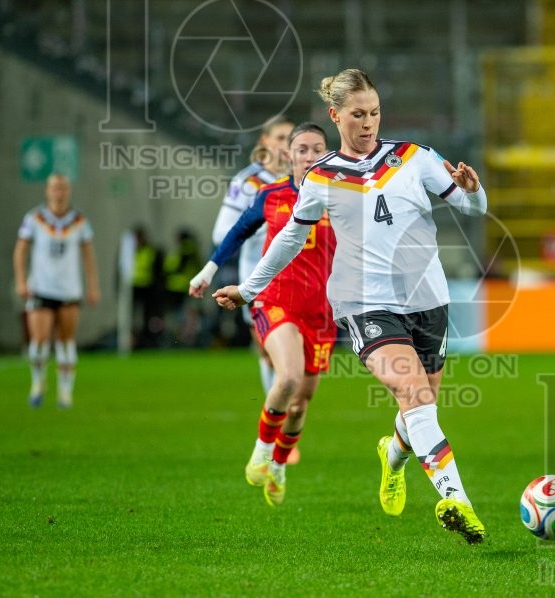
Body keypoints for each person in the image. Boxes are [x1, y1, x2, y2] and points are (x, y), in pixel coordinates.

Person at [212, 69, 489, 544]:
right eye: (358, 114)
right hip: (364, 303)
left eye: (375, 113)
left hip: (428, 299)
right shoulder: (321, 177)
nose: (368, 122)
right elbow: (288, 241)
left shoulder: (414, 157)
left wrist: (471, 189)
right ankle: (457, 501)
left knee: (420, 405)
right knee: (414, 395)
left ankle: (393, 457)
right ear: (335, 115)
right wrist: (250, 289)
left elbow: (474, 209)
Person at [190, 122, 334, 507]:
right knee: (288, 377)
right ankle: (262, 450)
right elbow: (237, 231)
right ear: (289, 154)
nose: (309, 156)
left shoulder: (342, 196)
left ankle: (280, 466)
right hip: (275, 299)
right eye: (301, 149)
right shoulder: (271, 194)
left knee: (301, 404)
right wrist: (209, 271)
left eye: (317, 149)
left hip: (321, 311)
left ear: (327, 154)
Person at [212, 116, 295, 394]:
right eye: (280, 138)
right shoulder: (248, 182)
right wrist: (266, 226)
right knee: (271, 354)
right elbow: (221, 233)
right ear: (264, 141)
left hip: (299, 281)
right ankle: (276, 412)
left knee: (297, 359)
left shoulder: (304, 180)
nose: (286, 145)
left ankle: (284, 410)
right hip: (259, 281)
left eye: (291, 139)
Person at [13, 173, 100, 408]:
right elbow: (20, 250)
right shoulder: (34, 218)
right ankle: (38, 382)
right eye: (54, 188)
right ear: (47, 191)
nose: (58, 192)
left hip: (69, 290)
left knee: (66, 341)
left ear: (68, 191)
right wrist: (21, 280)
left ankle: (65, 392)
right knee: (39, 341)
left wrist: (93, 286)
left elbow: (88, 256)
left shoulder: (79, 221)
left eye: (62, 188)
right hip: (41, 287)